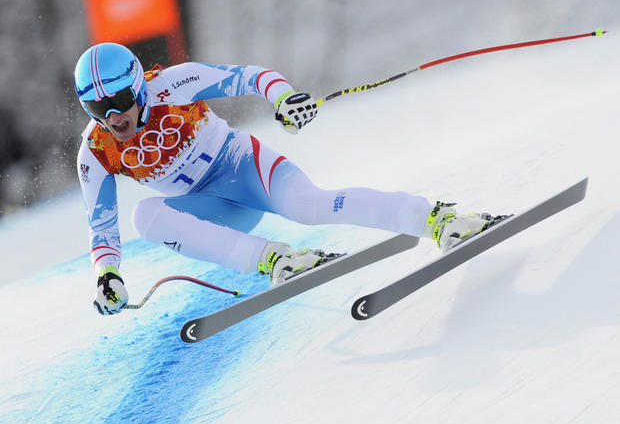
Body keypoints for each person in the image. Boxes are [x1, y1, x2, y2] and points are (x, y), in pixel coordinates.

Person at [74, 42, 502, 316]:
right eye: (98, 108)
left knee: (308, 207)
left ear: (138, 86)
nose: (114, 117)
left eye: (121, 100)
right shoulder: (95, 152)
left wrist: (284, 98)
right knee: (144, 217)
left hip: (241, 166)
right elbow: (101, 225)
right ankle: (277, 260)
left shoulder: (171, 84)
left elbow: (250, 75)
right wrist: (107, 274)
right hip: (212, 209)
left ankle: (440, 220)